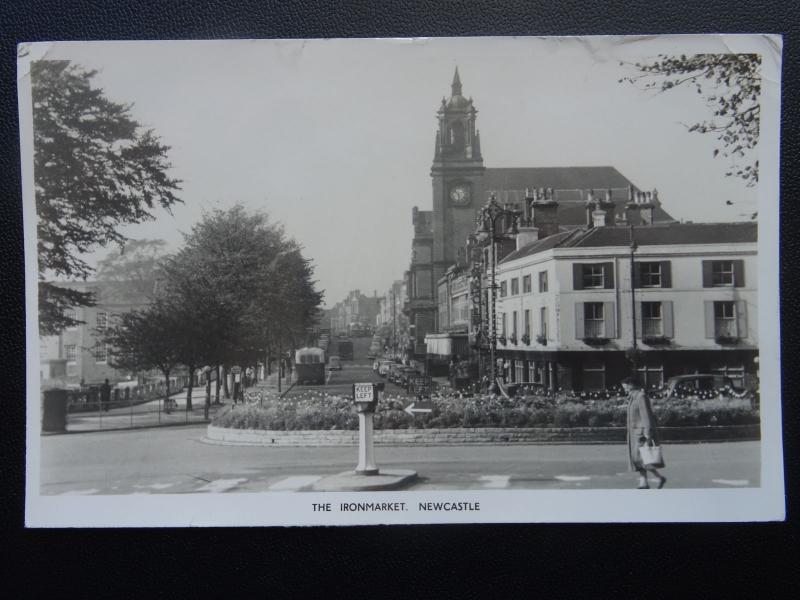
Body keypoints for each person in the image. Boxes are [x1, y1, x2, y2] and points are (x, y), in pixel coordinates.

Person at [622, 377, 666, 489]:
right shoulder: (632, 397)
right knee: (639, 458)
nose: (624, 388)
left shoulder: (641, 397)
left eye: (625, 385)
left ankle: (656, 478)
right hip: (634, 433)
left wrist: (648, 433)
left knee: (640, 458)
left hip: (641, 434)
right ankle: (645, 482)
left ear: (631, 384)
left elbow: (646, 415)